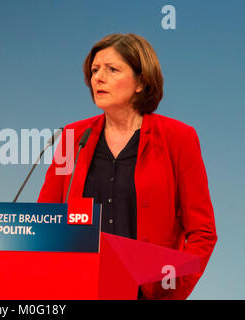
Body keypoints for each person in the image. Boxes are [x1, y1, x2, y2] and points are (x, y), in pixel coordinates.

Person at [37, 33, 217, 300]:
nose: (98, 77)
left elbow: (202, 232)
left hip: (148, 292)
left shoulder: (178, 138)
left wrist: (172, 291)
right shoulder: (73, 138)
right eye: (95, 70)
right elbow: (45, 219)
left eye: (112, 69)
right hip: (80, 288)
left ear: (141, 82)